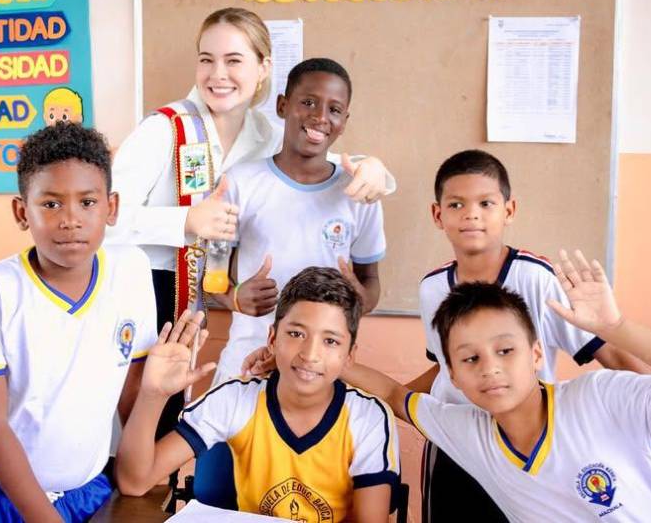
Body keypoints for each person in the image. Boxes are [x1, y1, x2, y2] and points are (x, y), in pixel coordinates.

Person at [107, 7, 395, 438]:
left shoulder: (264, 130)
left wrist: (376, 171)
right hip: (150, 287)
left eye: (234, 60)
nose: (217, 73)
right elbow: (102, 217)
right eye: (206, 59)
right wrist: (187, 219)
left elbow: (313, 159)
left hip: (203, 298)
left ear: (263, 69)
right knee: (131, 419)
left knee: (170, 417)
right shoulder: (164, 128)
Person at [0, 123, 157, 522]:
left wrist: (141, 475)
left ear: (112, 207)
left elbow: (132, 395)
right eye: (51, 204)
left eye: (87, 203)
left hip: (86, 495)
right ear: (22, 212)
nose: (70, 219)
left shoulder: (132, 271)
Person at [412, 149, 649, 522]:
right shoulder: (431, 288)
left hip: (522, 441)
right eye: (456, 204)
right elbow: (442, 370)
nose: (471, 213)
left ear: (509, 211)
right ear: (438, 215)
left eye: (485, 203)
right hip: (458, 441)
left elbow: (612, 355)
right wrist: (383, 399)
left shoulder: (537, 279)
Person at [341, 250, 651, 522]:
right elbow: (395, 395)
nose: (490, 368)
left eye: (505, 351)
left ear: (536, 354)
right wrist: (326, 357)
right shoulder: (470, 433)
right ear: (453, 375)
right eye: (471, 358)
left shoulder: (600, 397)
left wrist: (617, 328)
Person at [115, 267, 399, 523]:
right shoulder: (235, 399)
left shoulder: (368, 418)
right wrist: (153, 394)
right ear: (272, 339)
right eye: (297, 334)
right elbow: (134, 482)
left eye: (330, 341)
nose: (310, 355)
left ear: (350, 356)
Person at [210, 58, 385, 383]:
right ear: (282, 105)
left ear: (344, 121)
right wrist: (233, 297)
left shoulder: (358, 191)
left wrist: (361, 300)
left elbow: (370, 281)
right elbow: (211, 275)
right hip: (246, 367)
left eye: (334, 110)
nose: (320, 117)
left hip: (319, 369)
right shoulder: (239, 182)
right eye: (308, 102)